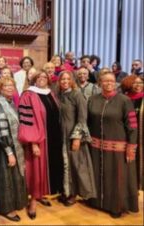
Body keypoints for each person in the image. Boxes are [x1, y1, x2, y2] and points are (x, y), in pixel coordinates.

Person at [87, 72, 139, 218]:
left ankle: (116, 207)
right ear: (100, 83)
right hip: (96, 147)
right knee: (97, 176)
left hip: (118, 149)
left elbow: (133, 126)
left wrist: (131, 147)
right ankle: (96, 202)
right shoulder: (92, 99)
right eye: (105, 81)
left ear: (115, 83)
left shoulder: (124, 101)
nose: (109, 83)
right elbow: (88, 122)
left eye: (112, 81)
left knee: (117, 179)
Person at [18, 70, 63, 219]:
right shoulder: (28, 95)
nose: (42, 79)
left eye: (45, 77)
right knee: (37, 170)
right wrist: (33, 143)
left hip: (52, 140)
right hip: (38, 140)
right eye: (39, 77)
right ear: (34, 80)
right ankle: (32, 202)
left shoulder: (51, 94)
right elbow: (26, 119)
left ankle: (41, 194)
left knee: (46, 170)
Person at [57, 71, 97, 206]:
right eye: (62, 79)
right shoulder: (60, 95)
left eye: (68, 79)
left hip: (73, 136)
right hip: (62, 136)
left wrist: (77, 137)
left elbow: (82, 118)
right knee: (65, 164)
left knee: (76, 166)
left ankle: (74, 194)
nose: (65, 81)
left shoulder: (77, 95)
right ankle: (66, 191)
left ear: (72, 80)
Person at [0, 77, 28, 221]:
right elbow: (1, 130)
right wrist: (9, 152)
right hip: (5, 148)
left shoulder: (11, 103)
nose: (9, 88)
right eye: (6, 86)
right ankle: (7, 209)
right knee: (6, 179)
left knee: (14, 178)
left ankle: (13, 205)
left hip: (15, 145)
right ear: (0, 89)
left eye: (11, 85)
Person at [121, 75, 144, 190]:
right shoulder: (124, 99)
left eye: (140, 83)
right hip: (126, 135)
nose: (138, 85)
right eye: (135, 83)